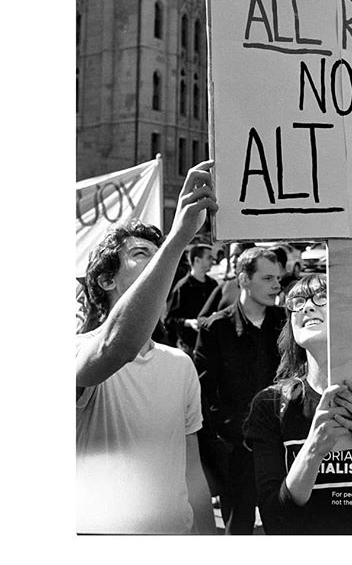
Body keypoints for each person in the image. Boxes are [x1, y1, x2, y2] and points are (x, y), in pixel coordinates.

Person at [76, 160, 218, 534]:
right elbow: (116, 347)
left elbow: (192, 473)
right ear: (106, 279)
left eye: (161, 255)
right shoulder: (76, 351)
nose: (158, 262)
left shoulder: (180, 365)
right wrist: (176, 241)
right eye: (142, 254)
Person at [244, 274, 352, 534]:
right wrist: (314, 450)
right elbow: (274, 519)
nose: (306, 306)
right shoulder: (271, 405)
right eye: (297, 301)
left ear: (349, 315)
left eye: (321, 298)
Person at [194, 247, 285, 534]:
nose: (276, 285)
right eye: (268, 278)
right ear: (244, 280)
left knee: (284, 530)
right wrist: (228, 436)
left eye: (278, 278)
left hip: (279, 451)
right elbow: (205, 392)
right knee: (238, 530)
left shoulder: (287, 324)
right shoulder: (215, 329)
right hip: (236, 453)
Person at [164, 244, 217, 357]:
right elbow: (170, 319)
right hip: (189, 347)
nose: (213, 260)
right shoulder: (183, 287)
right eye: (209, 258)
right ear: (197, 260)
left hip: (210, 344)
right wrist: (189, 322)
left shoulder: (213, 284)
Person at [199, 240, 255, 319]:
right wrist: (214, 320)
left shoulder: (264, 287)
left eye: (238, 255)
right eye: (231, 256)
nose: (233, 260)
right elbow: (201, 319)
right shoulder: (225, 286)